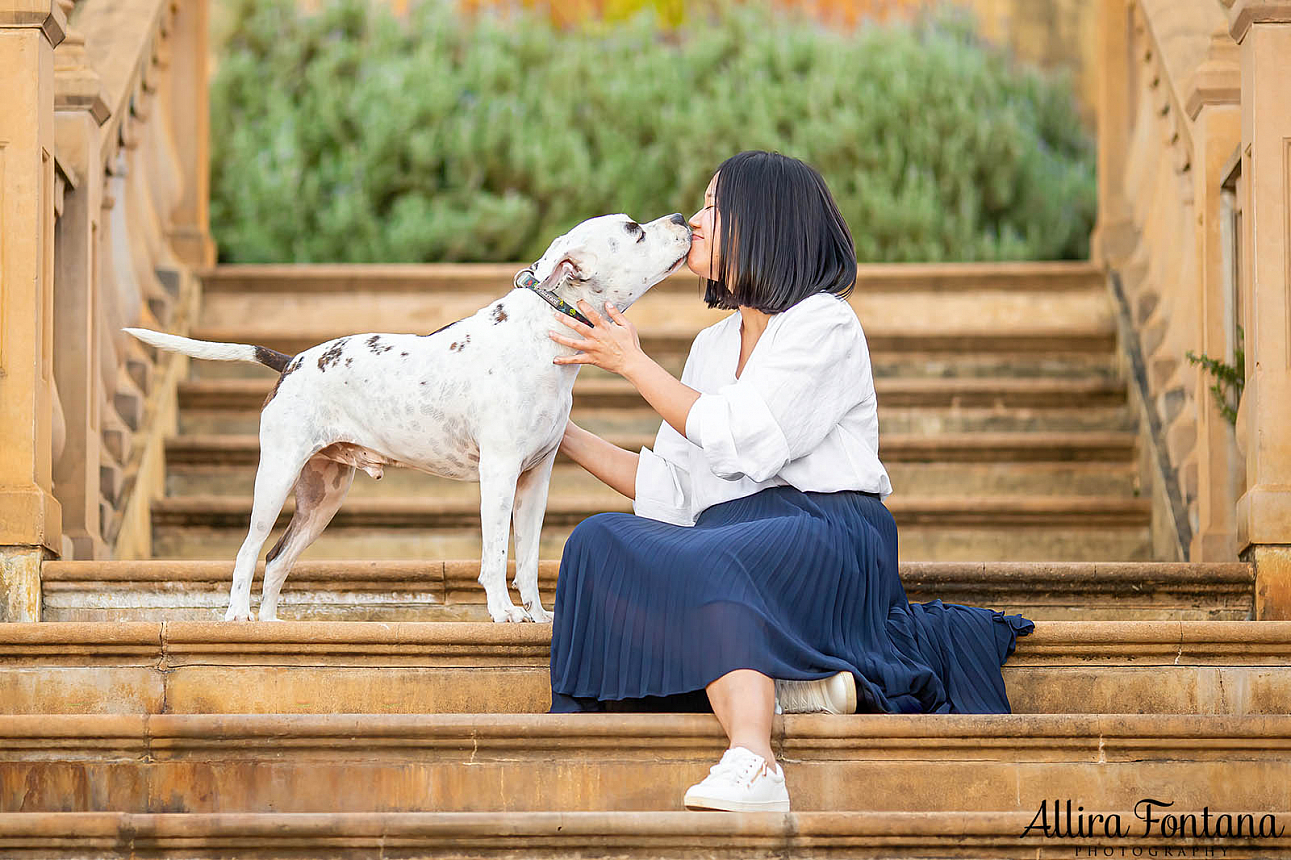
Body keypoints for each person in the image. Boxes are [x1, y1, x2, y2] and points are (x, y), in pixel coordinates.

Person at [544, 150, 1034, 813]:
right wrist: (554, 432)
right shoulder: (711, 348)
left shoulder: (823, 323)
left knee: (711, 563)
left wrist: (633, 365)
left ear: (765, 222)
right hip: (727, 538)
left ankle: (754, 759)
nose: (694, 221)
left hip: (822, 533)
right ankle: (794, 679)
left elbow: (745, 437)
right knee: (599, 544)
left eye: (714, 208)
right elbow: (674, 491)